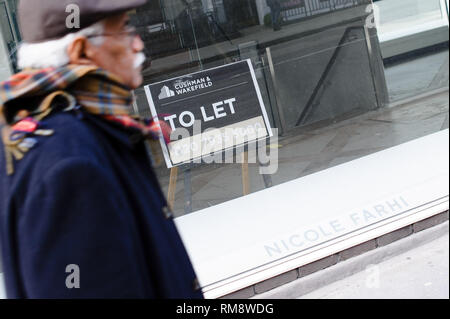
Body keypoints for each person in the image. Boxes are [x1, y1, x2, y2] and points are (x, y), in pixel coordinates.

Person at [0, 0, 203, 299]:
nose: (137, 43)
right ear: (80, 51)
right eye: (123, 29)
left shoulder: (54, 130)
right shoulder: (69, 164)